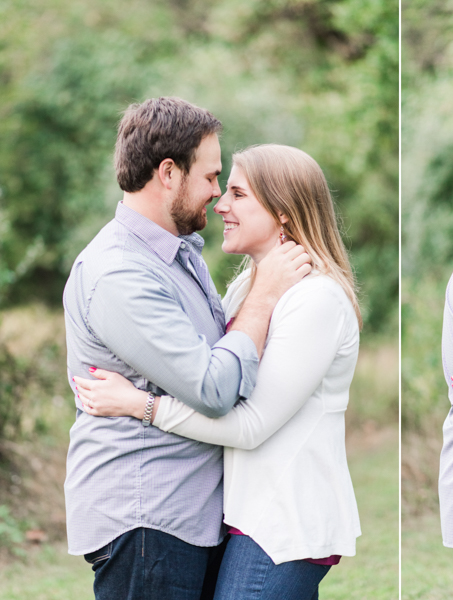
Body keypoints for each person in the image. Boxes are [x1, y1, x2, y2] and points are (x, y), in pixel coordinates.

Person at [74, 143, 362, 600]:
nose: (221, 203)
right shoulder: (250, 285)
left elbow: (248, 426)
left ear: (284, 212)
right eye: (221, 187)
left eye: (238, 193)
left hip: (284, 522)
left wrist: (141, 405)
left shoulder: (316, 299)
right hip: (247, 519)